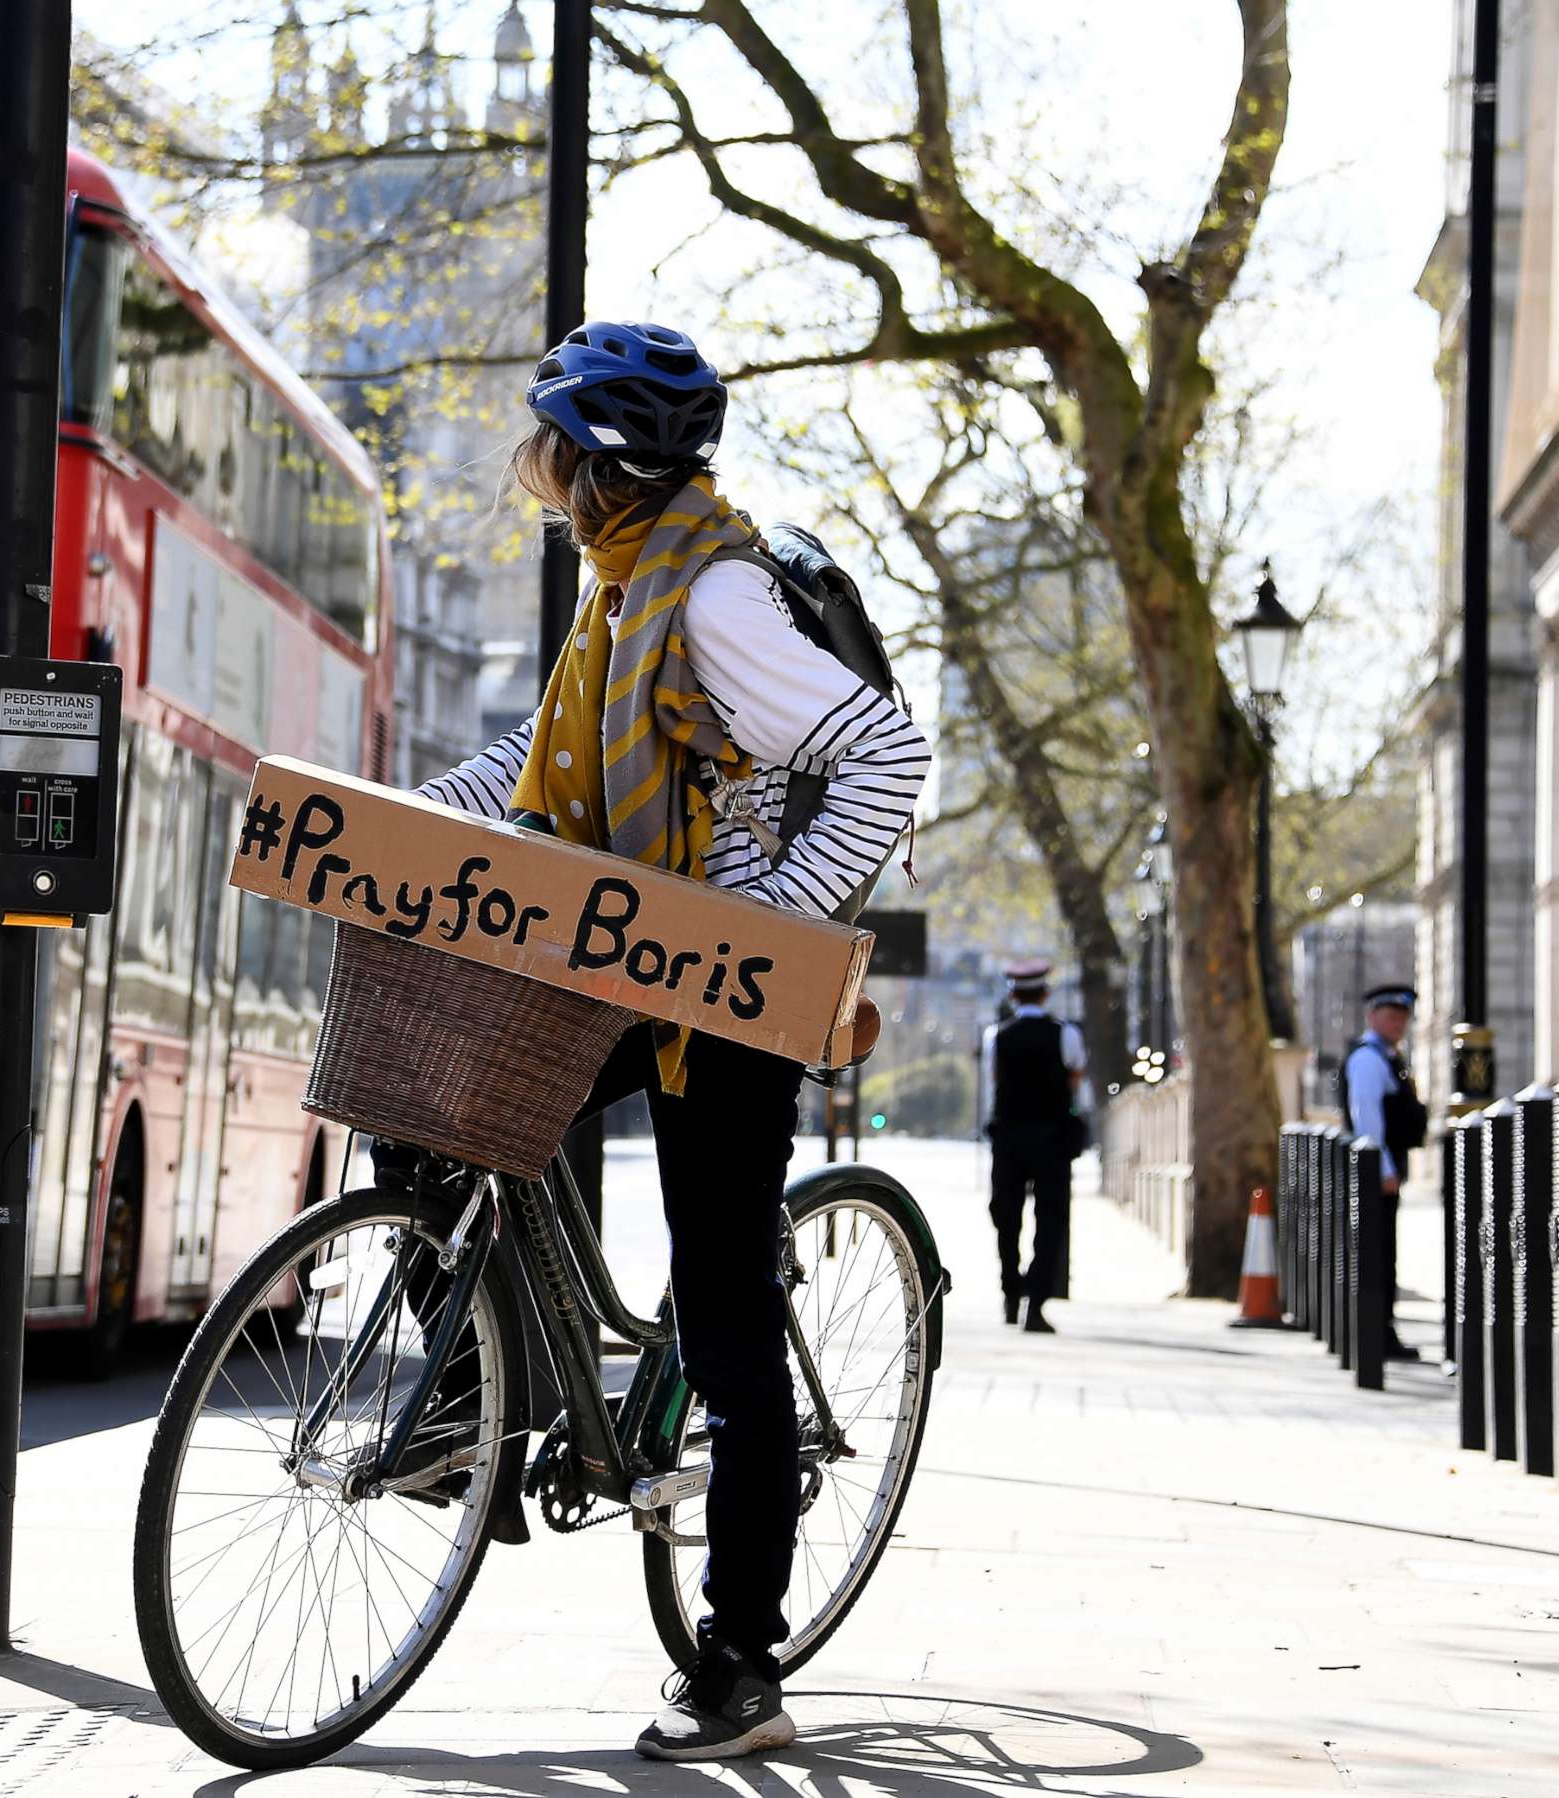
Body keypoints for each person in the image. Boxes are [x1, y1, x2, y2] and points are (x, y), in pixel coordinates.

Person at [408, 321, 930, 1762]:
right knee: (440, 1094)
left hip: (732, 998)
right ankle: (472, 1402)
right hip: (633, 962)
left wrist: (765, 918)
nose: (532, 469)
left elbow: (885, 750)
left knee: (723, 1305)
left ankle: (742, 1658)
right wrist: (379, 820)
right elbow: (532, 771)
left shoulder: (713, 601)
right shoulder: (623, 593)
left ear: (596, 466)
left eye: (547, 446)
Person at [981, 959, 1084, 1334]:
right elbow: (1075, 1079)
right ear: (1046, 992)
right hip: (1052, 1139)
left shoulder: (997, 1036)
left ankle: (1010, 1294)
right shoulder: (1066, 1034)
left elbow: (994, 1080)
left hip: (1008, 1139)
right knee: (1050, 1221)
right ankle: (1035, 1305)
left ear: (1012, 994)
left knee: (1006, 1218)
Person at [1340, 982, 1428, 1360]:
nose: (1398, 1025)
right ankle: (1376, 1334)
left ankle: (1380, 1330)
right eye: (1391, 1017)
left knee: (1382, 1252)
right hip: (1376, 1172)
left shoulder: (1387, 1056)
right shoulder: (1369, 1059)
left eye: (1402, 1019)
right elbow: (1368, 1119)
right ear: (1372, 1015)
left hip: (1382, 1169)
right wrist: (1383, 1169)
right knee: (1376, 1254)